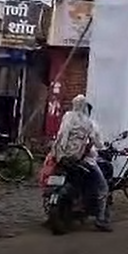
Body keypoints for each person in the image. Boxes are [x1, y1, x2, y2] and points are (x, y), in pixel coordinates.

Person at [52, 95, 111, 232]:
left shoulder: (67, 116)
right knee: (103, 188)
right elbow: (96, 142)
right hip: (84, 160)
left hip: (62, 157)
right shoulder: (88, 123)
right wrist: (102, 147)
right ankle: (101, 220)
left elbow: (61, 134)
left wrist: (58, 152)